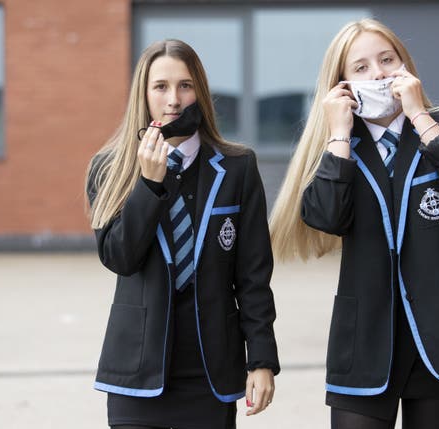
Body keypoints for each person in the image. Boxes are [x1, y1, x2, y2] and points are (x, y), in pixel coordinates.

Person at [269, 19, 439, 429]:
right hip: (365, 341)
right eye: (360, 68)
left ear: (405, 66)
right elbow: (325, 218)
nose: (377, 74)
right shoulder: (341, 147)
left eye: (386, 60)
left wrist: (419, 116)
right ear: (341, 85)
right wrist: (338, 133)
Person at [85, 39, 279, 429]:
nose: (173, 99)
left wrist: (261, 360)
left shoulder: (238, 167)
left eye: (185, 86)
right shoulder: (109, 168)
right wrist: (149, 184)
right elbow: (120, 257)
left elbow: (253, 274)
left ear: (200, 92)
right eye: (160, 86)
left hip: (211, 370)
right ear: (144, 93)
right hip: (137, 370)